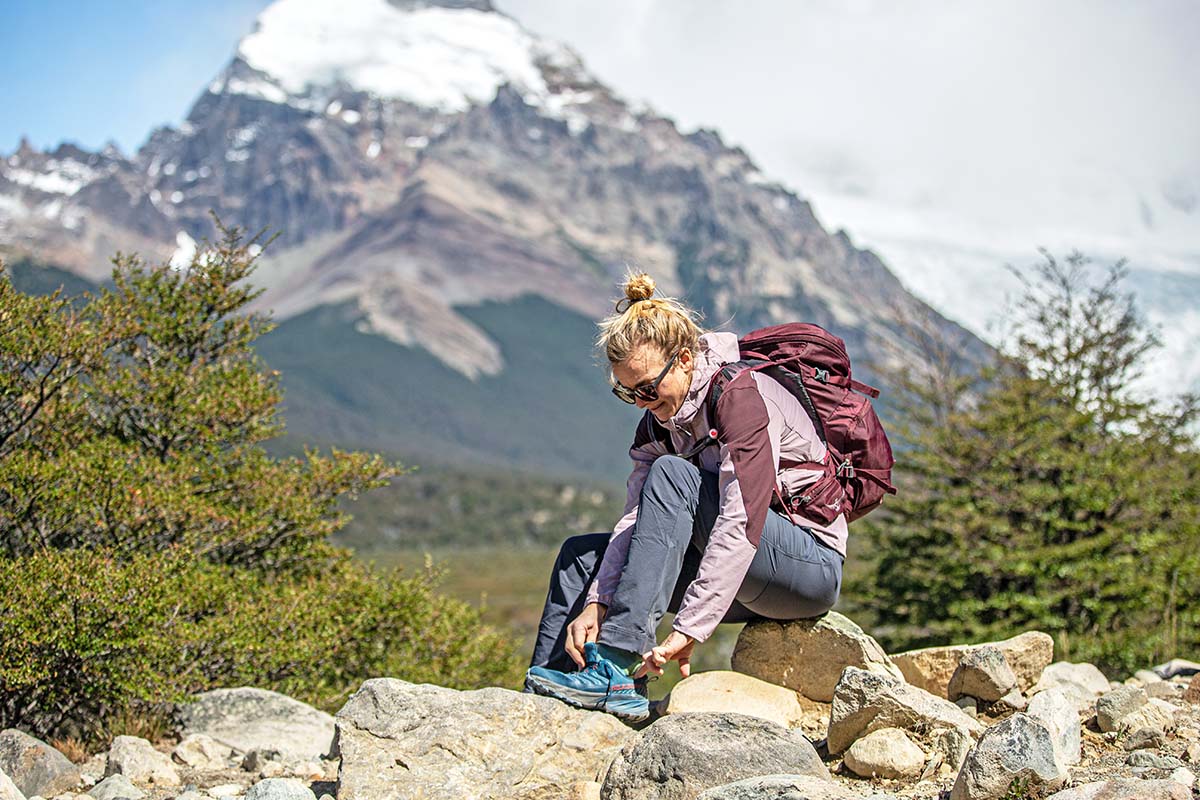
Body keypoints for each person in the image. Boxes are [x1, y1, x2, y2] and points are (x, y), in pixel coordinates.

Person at [524, 273, 847, 722]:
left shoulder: (740, 397)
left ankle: (617, 665)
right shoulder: (660, 420)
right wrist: (597, 600)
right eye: (626, 391)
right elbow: (632, 523)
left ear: (683, 360)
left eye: (646, 388)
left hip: (803, 569)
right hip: (737, 574)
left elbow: (742, 522)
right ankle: (549, 694)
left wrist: (690, 626)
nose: (639, 401)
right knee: (581, 558)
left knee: (674, 473)